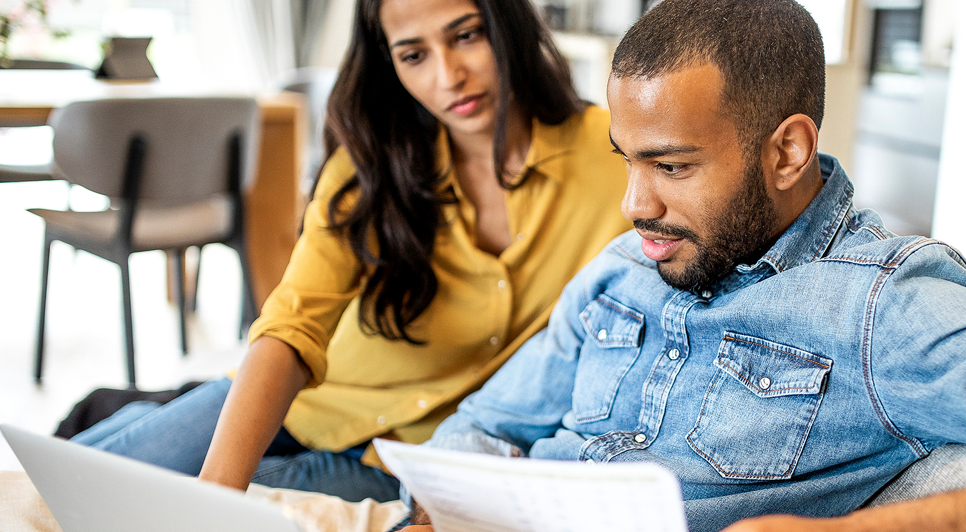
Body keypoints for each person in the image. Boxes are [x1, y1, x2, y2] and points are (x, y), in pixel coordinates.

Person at [396, 0, 966, 530]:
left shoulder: (882, 306)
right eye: (627, 160)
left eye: (673, 166)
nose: (633, 205)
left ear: (788, 151)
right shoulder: (624, 271)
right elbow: (482, 426)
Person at [67, 0, 630, 503]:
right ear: (391, 66)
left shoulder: (616, 156)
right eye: (413, 56)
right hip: (296, 401)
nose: (449, 76)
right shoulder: (371, 167)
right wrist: (218, 495)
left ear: (507, 25)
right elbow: (291, 324)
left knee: (150, 510)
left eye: (466, 35)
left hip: (408, 458)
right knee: (78, 486)